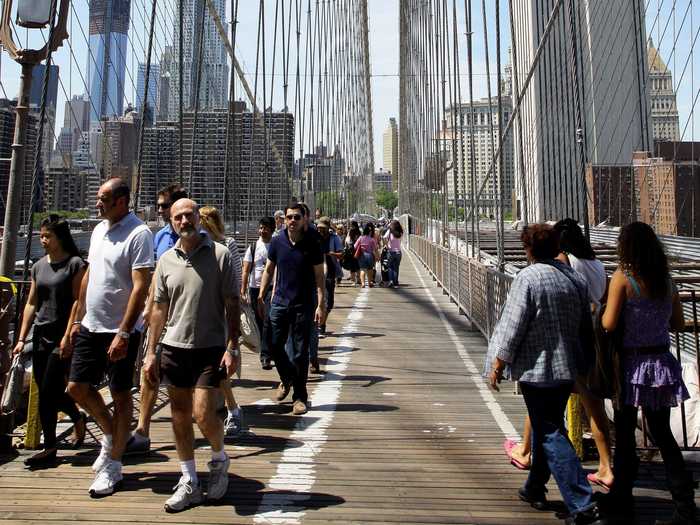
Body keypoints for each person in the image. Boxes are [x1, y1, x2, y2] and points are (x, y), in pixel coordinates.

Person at [487, 224, 603, 525]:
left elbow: (513, 327)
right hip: (566, 368)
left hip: (536, 370)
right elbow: (585, 327)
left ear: (528, 250)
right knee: (545, 425)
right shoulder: (574, 279)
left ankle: (582, 503)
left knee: (550, 430)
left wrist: (499, 364)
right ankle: (535, 487)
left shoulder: (527, 278)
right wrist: (586, 362)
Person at [143, 199, 240, 512]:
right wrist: (150, 352)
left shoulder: (220, 255)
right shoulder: (166, 261)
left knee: (201, 413)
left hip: (209, 346)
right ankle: (189, 479)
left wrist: (232, 345)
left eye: (189, 215)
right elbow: (158, 309)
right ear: (172, 222)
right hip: (173, 346)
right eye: (177, 217)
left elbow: (232, 303)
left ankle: (219, 458)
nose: (184, 221)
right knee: (179, 415)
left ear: (199, 218)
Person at [505, 218, 613, 491]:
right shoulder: (598, 265)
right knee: (594, 409)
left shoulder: (564, 265)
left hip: (562, 348)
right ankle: (605, 465)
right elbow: (601, 301)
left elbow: (547, 299)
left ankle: (576, 494)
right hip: (592, 341)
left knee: (546, 419)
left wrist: (500, 360)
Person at [600, 222, 696, 525]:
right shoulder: (667, 281)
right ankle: (684, 505)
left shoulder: (622, 279)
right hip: (661, 364)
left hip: (631, 366)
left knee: (626, 436)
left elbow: (609, 324)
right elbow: (678, 324)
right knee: (664, 436)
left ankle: (622, 502)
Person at [67, 178, 153, 497]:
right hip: (92, 324)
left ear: (121, 200)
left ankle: (114, 465)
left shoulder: (139, 233)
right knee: (76, 387)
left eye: (103, 197)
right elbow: (90, 274)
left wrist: (124, 332)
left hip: (120, 330)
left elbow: (141, 286)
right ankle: (110, 434)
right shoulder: (99, 229)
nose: (97, 202)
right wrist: (77, 318)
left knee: (120, 395)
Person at [13, 216, 87, 468]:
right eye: (41, 236)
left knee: (47, 392)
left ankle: (49, 448)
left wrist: (68, 335)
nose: (43, 241)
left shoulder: (75, 264)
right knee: (49, 390)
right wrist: (22, 337)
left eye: (48, 236)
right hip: (41, 334)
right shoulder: (38, 266)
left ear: (60, 237)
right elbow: (32, 302)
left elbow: (78, 301)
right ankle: (77, 417)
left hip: (62, 336)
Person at [127, 183, 188, 455]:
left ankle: (223, 409)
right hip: (160, 316)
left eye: (164, 206)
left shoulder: (201, 238)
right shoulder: (160, 236)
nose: (160, 210)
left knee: (193, 383)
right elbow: (152, 276)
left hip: (189, 317)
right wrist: (147, 307)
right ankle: (142, 430)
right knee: (148, 370)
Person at [258, 203, 325, 416]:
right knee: (274, 345)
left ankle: (299, 397)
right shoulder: (277, 241)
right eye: (289, 217)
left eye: (296, 217)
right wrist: (261, 293)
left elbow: (319, 276)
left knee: (299, 352)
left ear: (304, 219)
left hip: (303, 304)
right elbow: (269, 269)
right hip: (279, 301)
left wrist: (321, 304)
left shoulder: (312, 242)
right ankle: (287, 378)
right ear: (284, 220)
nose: (292, 221)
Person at [199, 205, 244, 438]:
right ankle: (219, 409)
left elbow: (235, 281)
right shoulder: (196, 246)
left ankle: (232, 409)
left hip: (221, 313)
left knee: (219, 364)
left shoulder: (228, 245)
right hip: (199, 313)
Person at [241, 216, 275, 370]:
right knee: (259, 321)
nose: (262, 231)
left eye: (265, 228)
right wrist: (243, 290)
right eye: (261, 228)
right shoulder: (253, 247)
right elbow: (246, 270)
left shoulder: (276, 246)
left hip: (272, 288)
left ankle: (266, 356)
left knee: (268, 319)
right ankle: (267, 349)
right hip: (255, 289)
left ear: (272, 229)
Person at [317, 217, 343, 338]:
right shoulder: (314, 237)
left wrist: (333, 254)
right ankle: (319, 326)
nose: (320, 230)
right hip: (316, 271)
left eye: (323, 228)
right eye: (319, 228)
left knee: (329, 301)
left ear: (328, 228)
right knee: (317, 298)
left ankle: (321, 323)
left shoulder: (335, 238)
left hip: (330, 272)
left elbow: (341, 254)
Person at [354, 224, 377, 288]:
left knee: (362, 269)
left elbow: (355, 246)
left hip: (362, 255)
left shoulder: (360, 238)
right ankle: (370, 283)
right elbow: (375, 248)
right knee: (370, 269)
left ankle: (363, 283)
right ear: (369, 232)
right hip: (370, 256)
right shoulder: (371, 239)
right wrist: (377, 256)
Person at [383, 220, 403, 287]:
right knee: (396, 268)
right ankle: (396, 282)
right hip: (399, 253)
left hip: (391, 251)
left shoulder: (390, 231)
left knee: (390, 267)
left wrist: (386, 245)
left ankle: (391, 281)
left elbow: (384, 237)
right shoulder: (400, 232)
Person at [345, 221, 361, 286]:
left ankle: (353, 281)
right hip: (358, 250)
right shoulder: (359, 231)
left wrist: (347, 247)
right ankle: (359, 280)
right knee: (358, 266)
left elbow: (347, 241)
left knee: (352, 266)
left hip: (351, 250)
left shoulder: (350, 231)